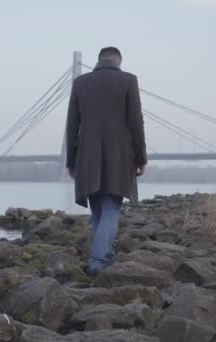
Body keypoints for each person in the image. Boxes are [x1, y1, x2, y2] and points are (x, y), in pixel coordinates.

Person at [65, 46, 147, 275]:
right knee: (111, 208)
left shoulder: (80, 83)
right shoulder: (128, 81)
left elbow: (72, 125)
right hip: (119, 155)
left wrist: (71, 162)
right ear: (119, 61)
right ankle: (98, 261)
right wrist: (141, 157)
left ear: (98, 60)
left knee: (99, 209)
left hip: (87, 156)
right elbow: (136, 122)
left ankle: (107, 257)